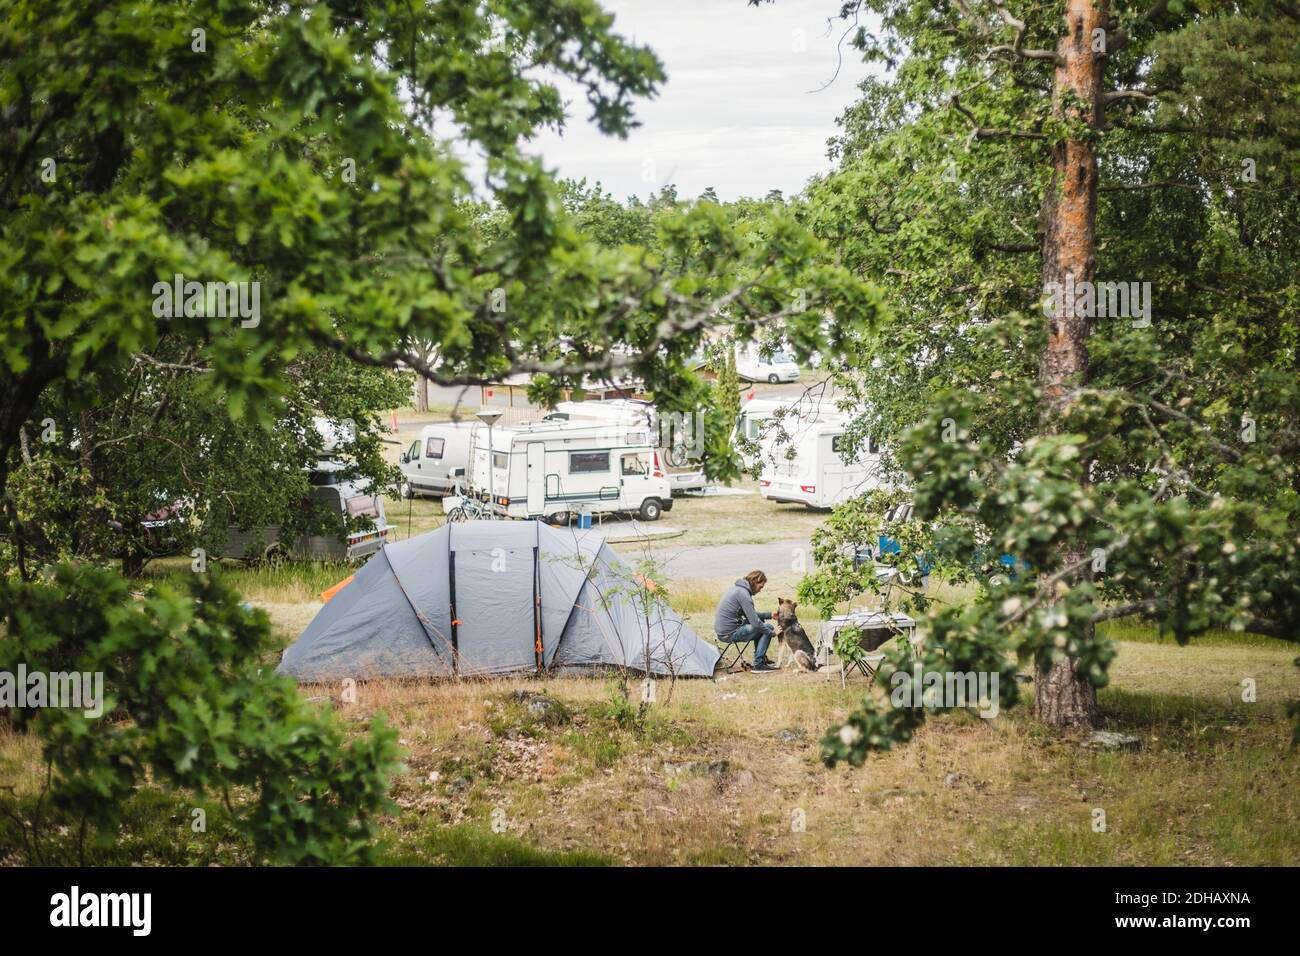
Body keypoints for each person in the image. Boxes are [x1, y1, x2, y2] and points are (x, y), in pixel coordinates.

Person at [714, 570, 777, 672]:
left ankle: (761, 658)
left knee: (761, 624)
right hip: (729, 633)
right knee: (767, 627)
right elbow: (755, 623)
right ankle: (759, 664)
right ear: (754, 581)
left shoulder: (737, 589)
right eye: (760, 587)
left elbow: (751, 615)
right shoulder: (744, 595)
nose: (760, 590)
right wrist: (772, 633)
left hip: (723, 631)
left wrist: (770, 615)